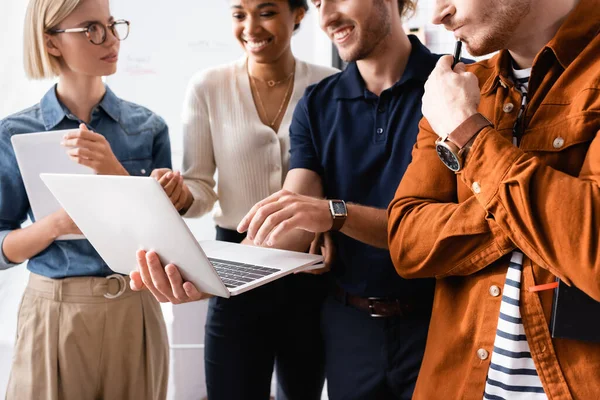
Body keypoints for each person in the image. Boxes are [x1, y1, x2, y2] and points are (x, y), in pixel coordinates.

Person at [387, 0, 600, 398]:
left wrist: (469, 134)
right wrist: (545, 210)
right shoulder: (456, 89)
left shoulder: (455, 110)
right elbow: (406, 241)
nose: (437, 14)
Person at [233, 0, 441, 398]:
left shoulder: (453, 83)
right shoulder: (317, 104)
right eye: (317, 3)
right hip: (350, 327)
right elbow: (293, 217)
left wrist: (333, 214)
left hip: (441, 319)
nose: (326, 18)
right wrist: (208, 272)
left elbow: (438, 225)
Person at [131, 1, 338, 399]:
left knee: (303, 392)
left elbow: (341, 184)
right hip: (235, 262)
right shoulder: (207, 87)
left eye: (266, 12)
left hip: (310, 273)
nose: (250, 27)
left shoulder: (330, 86)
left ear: (298, 14)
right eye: (238, 14)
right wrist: (179, 194)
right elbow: (201, 189)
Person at [0, 0, 171, 399]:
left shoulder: (148, 127)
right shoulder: (13, 132)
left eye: (112, 25)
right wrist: (57, 224)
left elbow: (166, 238)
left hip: (135, 306)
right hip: (54, 310)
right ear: (52, 43)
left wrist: (113, 167)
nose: (111, 39)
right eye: (92, 29)